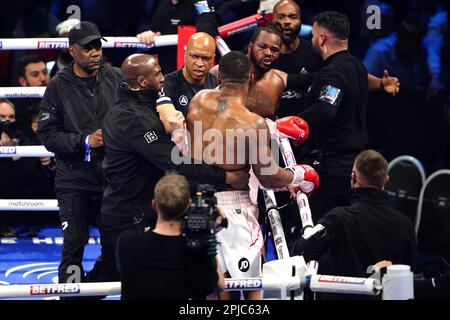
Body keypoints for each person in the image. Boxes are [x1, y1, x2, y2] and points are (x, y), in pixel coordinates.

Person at [100, 53, 249, 282]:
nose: (163, 77)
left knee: (114, 274)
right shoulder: (135, 119)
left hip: (129, 207)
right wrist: (226, 175)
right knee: (137, 281)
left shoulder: (132, 107)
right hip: (129, 215)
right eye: (157, 73)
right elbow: (174, 161)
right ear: (141, 82)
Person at [186, 51, 319, 300]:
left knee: (216, 290)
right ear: (250, 76)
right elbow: (268, 177)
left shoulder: (198, 101)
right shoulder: (252, 123)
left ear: (219, 74)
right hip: (234, 208)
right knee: (250, 289)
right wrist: (298, 174)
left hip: (199, 202)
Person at [37, 21, 122, 287]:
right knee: (73, 246)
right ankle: (71, 298)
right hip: (74, 180)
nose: (95, 52)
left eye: (98, 46)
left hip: (113, 180)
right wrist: (85, 141)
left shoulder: (116, 78)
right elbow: (47, 134)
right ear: (72, 51)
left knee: (117, 248)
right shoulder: (57, 86)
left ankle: (90, 292)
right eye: (88, 48)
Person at [280, 11, 371, 222]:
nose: (312, 40)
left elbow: (326, 108)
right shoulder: (358, 67)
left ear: (321, 38)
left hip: (331, 166)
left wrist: (290, 123)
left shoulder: (333, 73)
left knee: (318, 231)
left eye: (313, 35)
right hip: (351, 163)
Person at [293, 150, 417, 299]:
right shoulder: (405, 224)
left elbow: (301, 249)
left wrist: (333, 262)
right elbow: (408, 274)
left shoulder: (338, 218)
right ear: (386, 180)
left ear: (353, 177)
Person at [117, 173, 223, 300]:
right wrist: (208, 235)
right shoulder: (196, 251)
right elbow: (219, 285)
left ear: (154, 205)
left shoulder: (127, 242)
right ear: (189, 205)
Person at [156, 32, 218, 132]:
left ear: (213, 59)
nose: (199, 64)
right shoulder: (167, 83)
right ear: (185, 55)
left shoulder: (217, 84)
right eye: (194, 56)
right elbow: (169, 122)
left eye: (206, 58)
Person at [136, 0, 219, 74]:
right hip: (165, 72)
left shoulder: (200, 3)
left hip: (191, 75)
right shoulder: (163, 4)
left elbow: (207, 32)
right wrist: (147, 37)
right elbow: (154, 32)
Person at [14, 54, 50, 140]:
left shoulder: (61, 101)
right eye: (35, 74)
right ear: (23, 81)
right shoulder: (16, 110)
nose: (43, 78)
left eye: (45, 72)